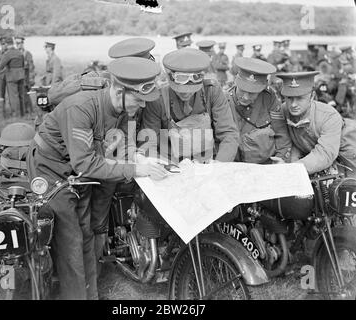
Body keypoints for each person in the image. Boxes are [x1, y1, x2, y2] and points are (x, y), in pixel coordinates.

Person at [26, 57, 168, 300]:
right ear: (120, 89)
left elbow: (120, 143)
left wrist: (140, 160)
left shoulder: (121, 108)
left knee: (86, 231)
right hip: (50, 168)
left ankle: (88, 294)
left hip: (78, 170)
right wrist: (135, 169)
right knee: (70, 238)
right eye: (139, 99)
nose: (143, 106)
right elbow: (85, 163)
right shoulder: (81, 107)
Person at [141, 48, 240, 164]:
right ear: (169, 77)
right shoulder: (158, 100)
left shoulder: (212, 92)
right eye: (180, 89)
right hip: (172, 166)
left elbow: (228, 134)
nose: (186, 92)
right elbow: (149, 144)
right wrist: (169, 166)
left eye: (192, 89)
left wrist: (219, 165)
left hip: (209, 163)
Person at [272, 71, 356, 176]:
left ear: (312, 96)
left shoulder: (329, 115)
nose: (293, 104)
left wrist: (293, 168)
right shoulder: (283, 111)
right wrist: (288, 164)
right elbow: (288, 142)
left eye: (300, 98)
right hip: (313, 152)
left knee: (349, 185)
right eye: (289, 98)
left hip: (346, 147)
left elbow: (325, 154)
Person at [224, 57, 292, 164]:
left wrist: (281, 158)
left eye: (252, 93)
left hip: (264, 164)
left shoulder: (269, 98)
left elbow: (281, 133)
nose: (246, 97)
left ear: (264, 87)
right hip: (233, 164)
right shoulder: (224, 100)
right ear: (236, 81)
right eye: (242, 90)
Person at [0, 36, 25, 117]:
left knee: (13, 96)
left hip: (11, 77)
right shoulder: (19, 52)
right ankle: (22, 113)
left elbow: (0, 66)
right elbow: (23, 64)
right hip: (21, 75)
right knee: (21, 95)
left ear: (6, 44)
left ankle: (16, 114)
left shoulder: (8, 53)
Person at [15, 36, 35, 115]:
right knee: (19, 94)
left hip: (25, 77)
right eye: (16, 43)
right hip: (17, 77)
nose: (18, 45)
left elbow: (31, 67)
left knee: (25, 94)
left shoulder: (27, 54)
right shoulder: (15, 53)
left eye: (19, 43)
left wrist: (31, 79)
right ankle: (22, 110)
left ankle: (29, 110)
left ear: (23, 43)